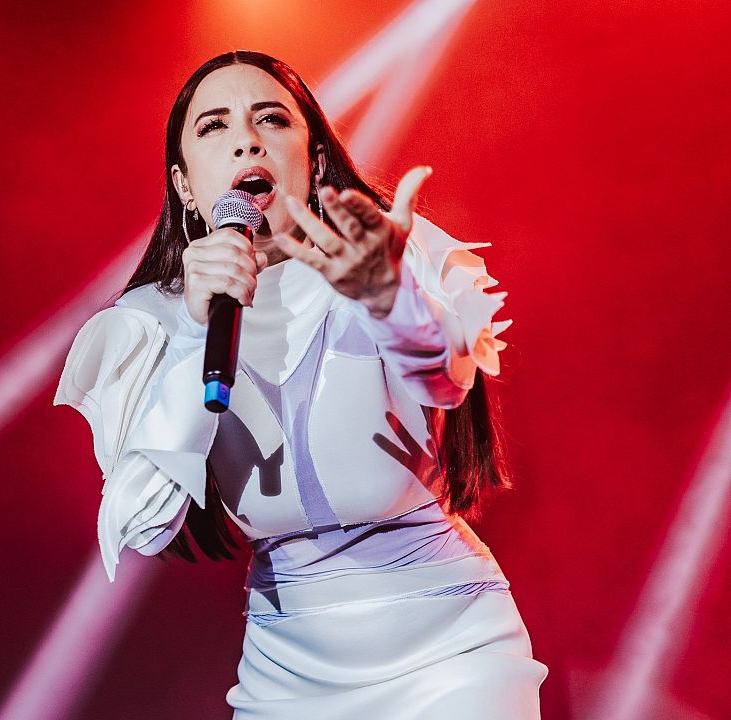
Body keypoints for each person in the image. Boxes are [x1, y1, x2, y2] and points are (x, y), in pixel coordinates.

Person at [55, 50, 547, 718]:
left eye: (272, 120)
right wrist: (197, 332)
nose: (246, 139)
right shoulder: (151, 324)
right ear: (185, 186)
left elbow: (445, 380)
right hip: (286, 674)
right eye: (214, 127)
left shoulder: (386, 258)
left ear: (313, 162)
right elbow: (142, 525)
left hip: (452, 654)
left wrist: (387, 297)